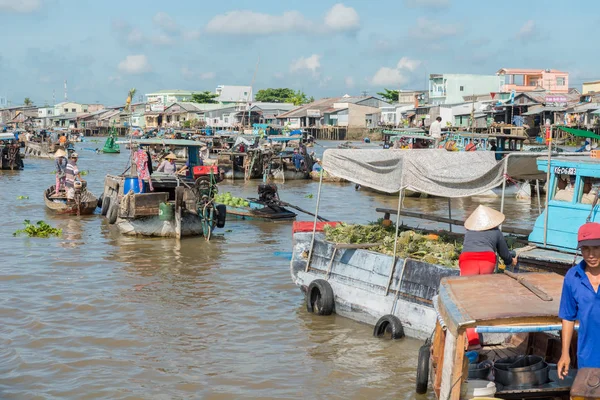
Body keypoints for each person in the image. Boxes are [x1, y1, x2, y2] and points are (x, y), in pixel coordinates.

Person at [558, 222, 600, 378]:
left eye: (596, 247)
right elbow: (567, 317)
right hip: (587, 355)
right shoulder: (572, 276)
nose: (591, 254)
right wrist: (565, 353)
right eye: (586, 249)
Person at [459, 205, 517, 276]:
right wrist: (510, 261)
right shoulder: (496, 232)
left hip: (467, 258)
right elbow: (504, 253)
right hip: (487, 258)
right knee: (485, 284)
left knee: (467, 285)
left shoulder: (469, 232)